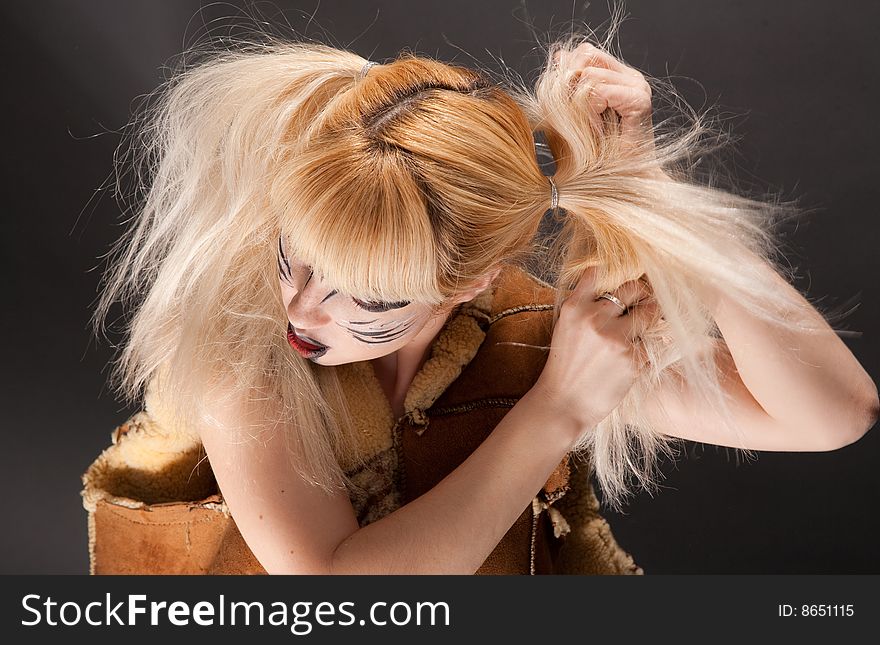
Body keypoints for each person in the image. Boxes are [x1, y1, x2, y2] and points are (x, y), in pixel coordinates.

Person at [81, 26, 878, 575]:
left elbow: (831, 413)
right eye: (295, 256)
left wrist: (654, 196)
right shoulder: (247, 338)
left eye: (360, 290)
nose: (302, 308)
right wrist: (556, 411)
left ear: (469, 281)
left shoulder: (530, 335)